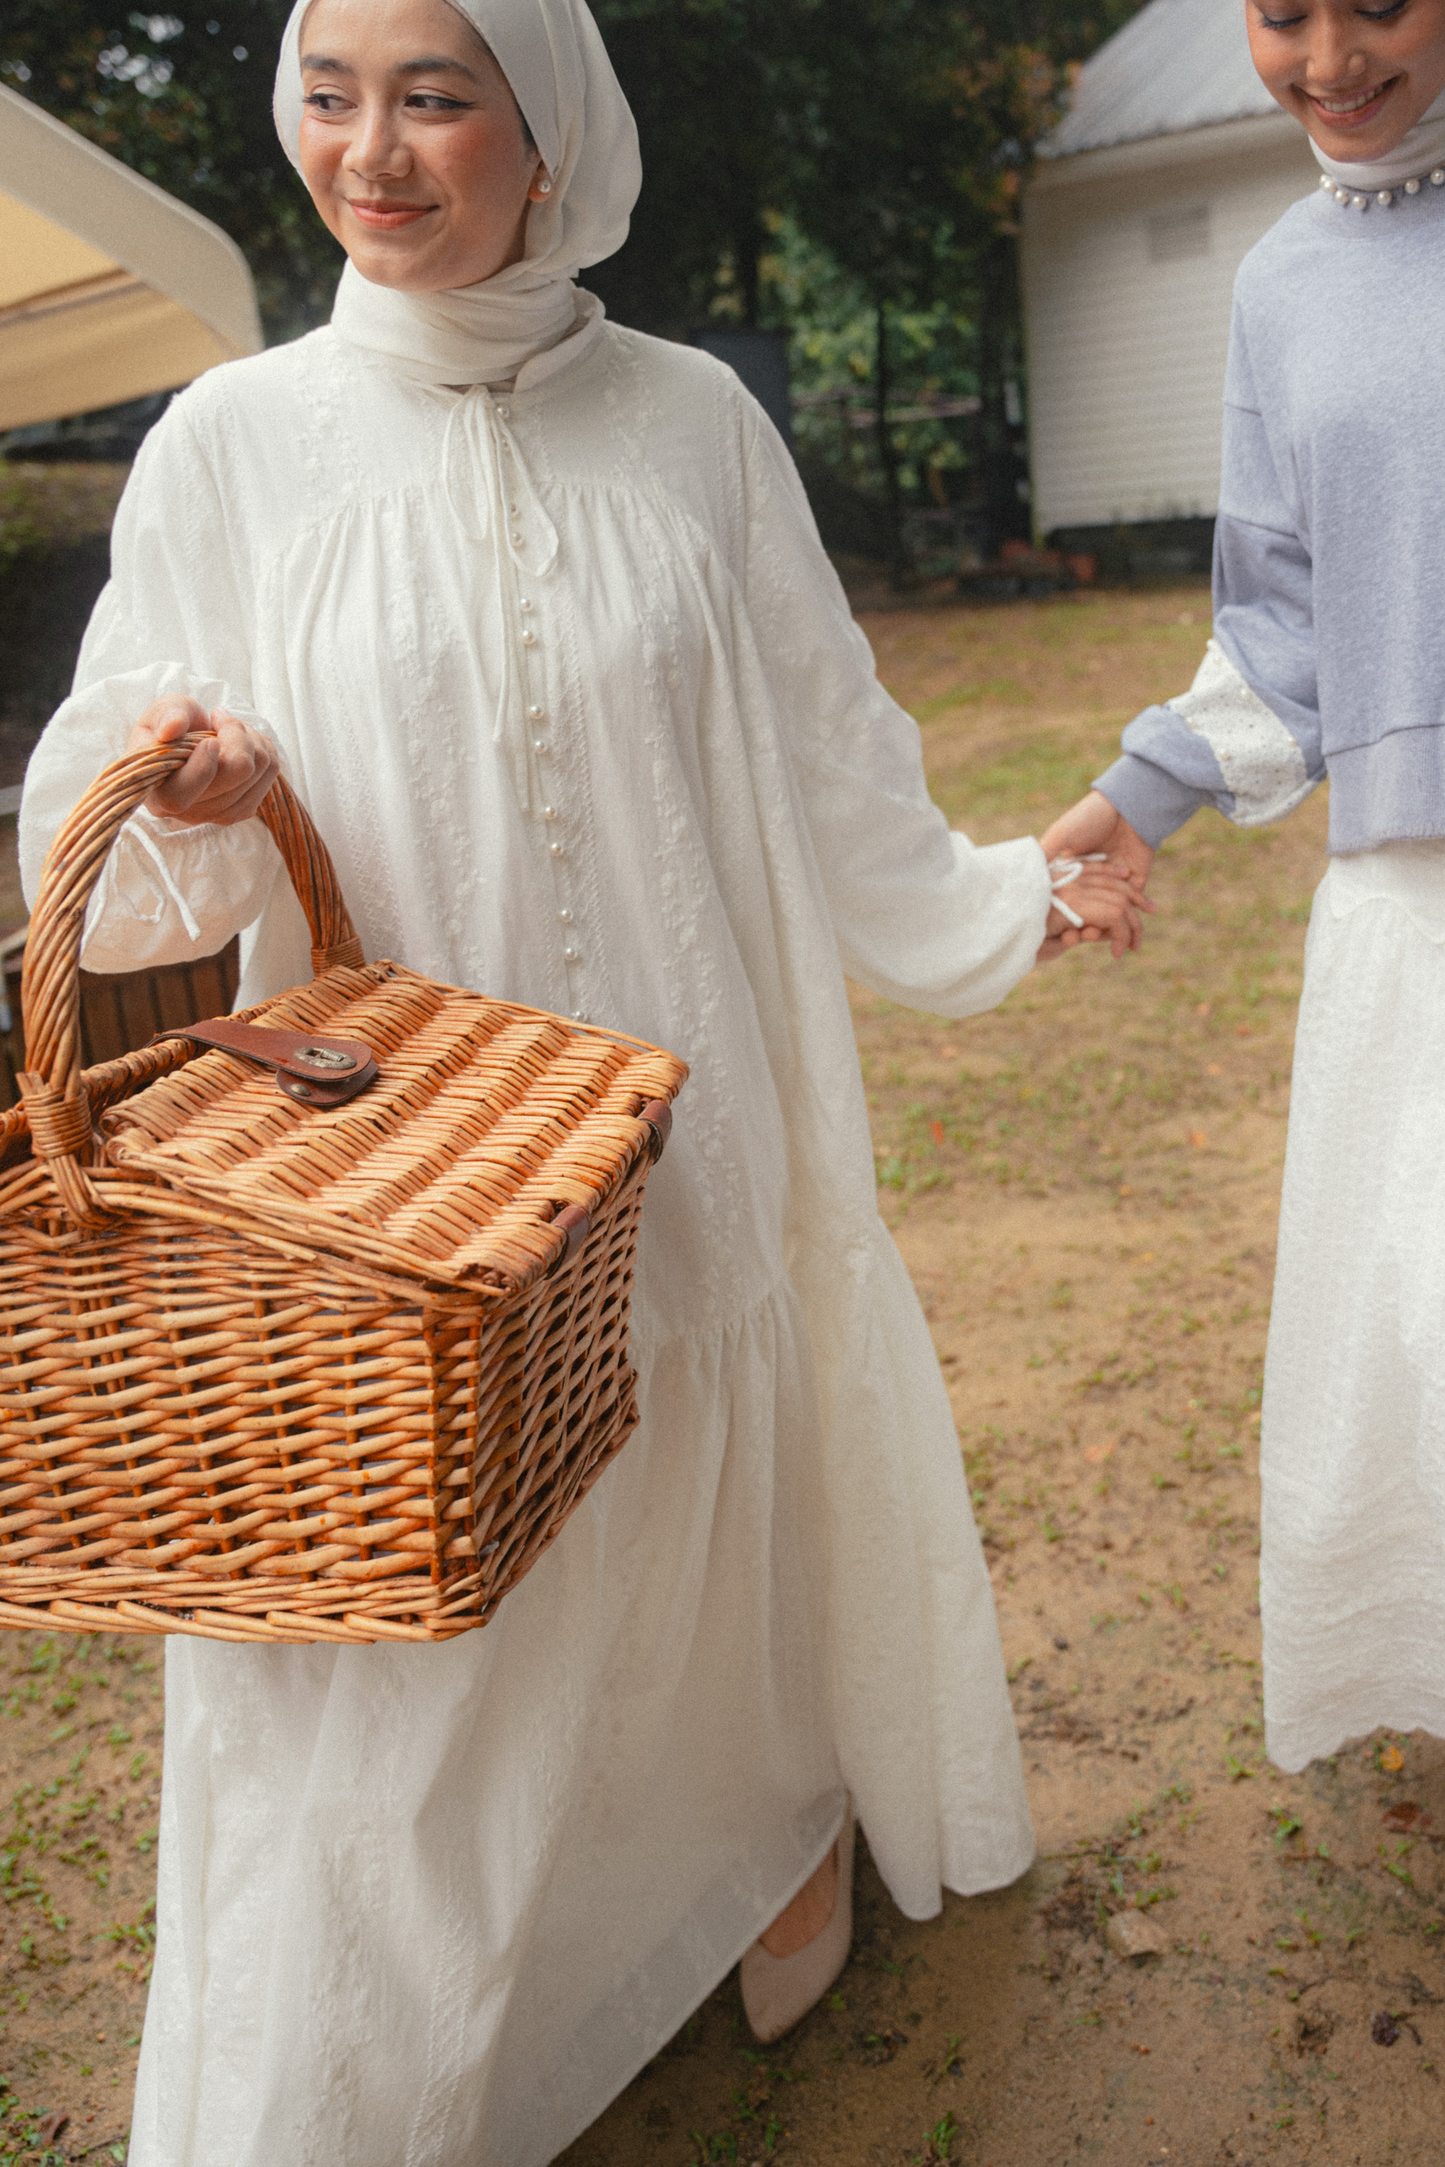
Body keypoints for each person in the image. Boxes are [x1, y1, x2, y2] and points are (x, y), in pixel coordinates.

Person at [20, 2, 1144, 2159]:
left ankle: (759, 1824)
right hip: (388, 1202)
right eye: (330, 94)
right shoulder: (232, 445)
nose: (373, 150)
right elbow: (91, 834)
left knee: (694, 1508)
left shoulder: (697, 425)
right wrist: (195, 789)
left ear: (551, 133)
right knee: (408, 1652)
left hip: (682, 1114)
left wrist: (998, 899)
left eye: (437, 93)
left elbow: (828, 744)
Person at [1043, 0, 1445, 1782]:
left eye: (1380, 0)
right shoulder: (1284, 276)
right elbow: (1282, 614)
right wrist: (1143, 795)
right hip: (1410, 900)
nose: (1329, 56)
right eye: (1284, 11)